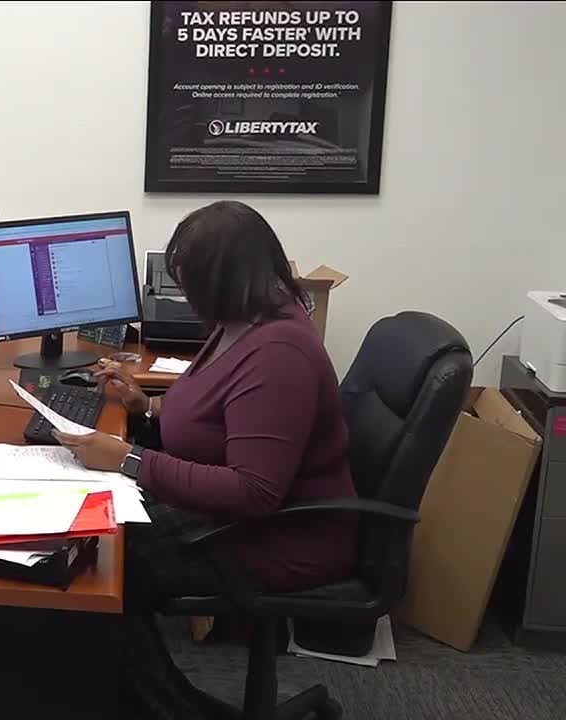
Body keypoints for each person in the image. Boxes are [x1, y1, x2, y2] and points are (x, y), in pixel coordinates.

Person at [56, 200, 358, 718]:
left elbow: (253, 491)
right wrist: (144, 406)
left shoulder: (279, 351)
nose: (185, 296)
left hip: (279, 537)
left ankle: (165, 707)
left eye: (190, 283)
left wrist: (130, 459)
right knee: (97, 540)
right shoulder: (242, 321)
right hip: (236, 519)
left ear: (221, 283)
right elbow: (217, 414)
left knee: (99, 562)